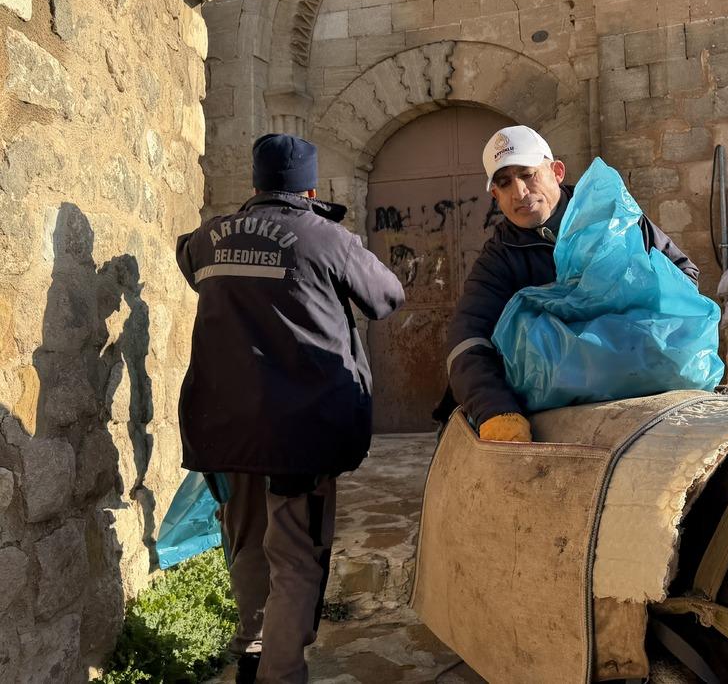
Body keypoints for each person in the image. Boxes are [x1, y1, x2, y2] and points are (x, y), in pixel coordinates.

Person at [175, 134, 405, 684]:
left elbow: (188, 259)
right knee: (297, 554)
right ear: (311, 187)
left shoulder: (207, 240)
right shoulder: (325, 237)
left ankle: (252, 648)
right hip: (300, 430)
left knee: (246, 539)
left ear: (254, 184)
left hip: (225, 427)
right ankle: (279, 672)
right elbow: (386, 295)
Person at [444, 125, 699, 443]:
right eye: (504, 183)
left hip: (647, 379)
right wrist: (496, 411)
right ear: (495, 195)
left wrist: (628, 324)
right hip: (560, 404)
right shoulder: (500, 259)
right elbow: (467, 338)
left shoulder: (613, 217)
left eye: (527, 174)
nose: (519, 192)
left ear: (557, 171)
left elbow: (682, 274)